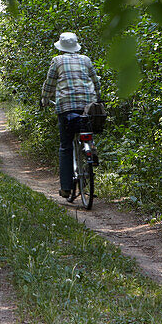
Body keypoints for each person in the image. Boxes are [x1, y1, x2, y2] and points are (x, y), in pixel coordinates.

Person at [40, 32, 101, 199]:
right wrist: (99, 99)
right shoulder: (86, 60)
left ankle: (66, 187)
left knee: (66, 146)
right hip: (89, 106)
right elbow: (96, 81)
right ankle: (91, 148)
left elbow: (50, 84)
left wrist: (45, 99)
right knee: (86, 130)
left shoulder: (57, 61)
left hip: (66, 107)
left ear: (61, 47)